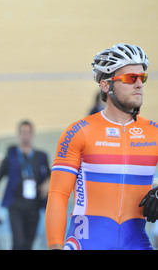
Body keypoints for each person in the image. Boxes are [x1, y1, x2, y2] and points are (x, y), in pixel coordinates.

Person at [45, 43, 158, 250]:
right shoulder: (79, 132)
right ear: (106, 85)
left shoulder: (154, 133)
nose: (139, 84)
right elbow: (58, 195)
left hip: (136, 243)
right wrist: (54, 246)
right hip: (85, 243)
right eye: (131, 78)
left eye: (142, 78)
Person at [0, 120, 50, 250]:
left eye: (28, 133)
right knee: (18, 242)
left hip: (34, 206)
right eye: (23, 133)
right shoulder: (11, 155)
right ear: (19, 134)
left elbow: (51, 174)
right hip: (15, 205)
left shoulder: (41, 156)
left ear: (32, 134)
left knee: (28, 243)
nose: (25, 136)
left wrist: (46, 184)